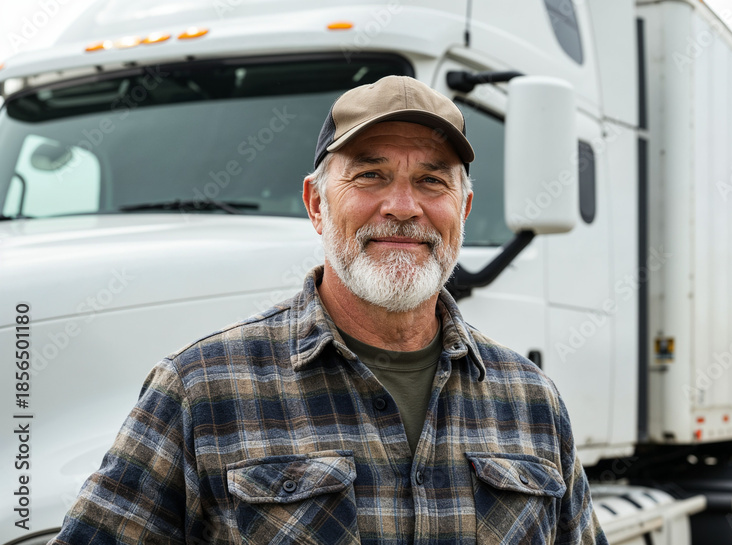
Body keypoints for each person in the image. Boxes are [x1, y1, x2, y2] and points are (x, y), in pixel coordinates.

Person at [52, 75, 606, 544]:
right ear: (317, 204)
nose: (403, 207)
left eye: (431, 180)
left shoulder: (532, 400)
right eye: (371, 175)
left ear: (461, 209)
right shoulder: (201, 389)